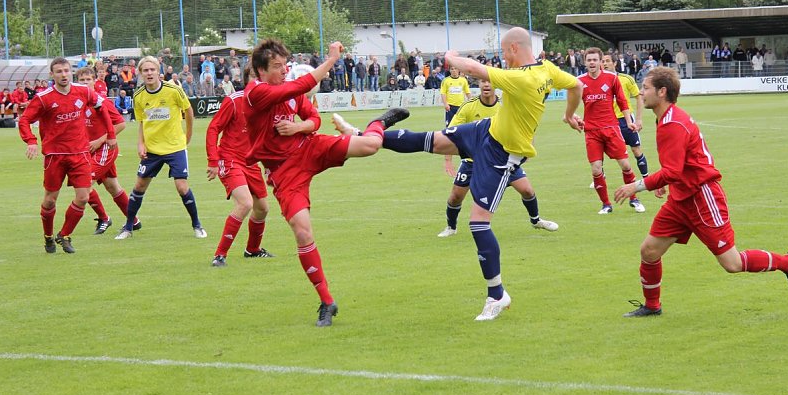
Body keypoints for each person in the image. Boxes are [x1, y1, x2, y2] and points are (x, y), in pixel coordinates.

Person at [333, 27, 581, 321]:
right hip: (486, 131)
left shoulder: (522, 78)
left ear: (514, 48)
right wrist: (568, 114)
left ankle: (497, 294)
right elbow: (576, 85)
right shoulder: (547, 69)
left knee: (478, 224)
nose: (504, 57)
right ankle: (364, 135)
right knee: (431, 140)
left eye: (504, 52)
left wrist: (449, 56)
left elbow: (475, 68)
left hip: (502, 155)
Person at [613, 67, 788, 317]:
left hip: (703, 198)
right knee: (649, 251)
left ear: (662, 92)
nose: (640, 91)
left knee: (732, 264)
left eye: (646, 87)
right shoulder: (666, 118)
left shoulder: (673, 123)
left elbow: (673, 170)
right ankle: (652, 305)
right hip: (681, 198)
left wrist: (636, 186)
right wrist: (664, 182)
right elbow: (678, 166)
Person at [244, 39, 409, 327]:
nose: (284, 71)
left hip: (309, 148)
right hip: (285, 171)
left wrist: (297, 126)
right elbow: (300, 86)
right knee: (303, 233)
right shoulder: (256, 92)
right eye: (276, 67)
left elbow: (313, 119)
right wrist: (331, 60)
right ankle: (327, 302)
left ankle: (378, 123)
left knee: (371, 146)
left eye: (286, 65)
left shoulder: (289, 93)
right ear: (259, 71)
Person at [18, 57, 117, 253]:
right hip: (55, 155)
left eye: (66, 71)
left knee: (82, 196)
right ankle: (48, 237)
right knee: (50, 200)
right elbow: (25, 119)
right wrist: (30, 141)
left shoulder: (83, 91)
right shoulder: (43, 98)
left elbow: (102, 108)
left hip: (80, 154)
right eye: (59, 72)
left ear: (70, 72)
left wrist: (111, 135)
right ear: (52, 75)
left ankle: (64, 235)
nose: (63, 75)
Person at [438, 79, 559, 238]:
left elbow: (525, 127)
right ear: (479, 85)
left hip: (502, 159)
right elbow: (451, 133)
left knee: (527, 190)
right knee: (455, 197)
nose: (487, 85)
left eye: (490, 81)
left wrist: (527, 149)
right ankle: (451, 227)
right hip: (472, 161)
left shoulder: (505, 106)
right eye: (483, 81)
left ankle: (536, 220)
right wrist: (448, 160)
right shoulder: (468, 107)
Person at [114, 56, 205, 240]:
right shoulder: (138, 95)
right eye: (145, 70)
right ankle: (128, 228)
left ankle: (197, 225)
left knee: (181, 186)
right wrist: (141, 143)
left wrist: (187, 135)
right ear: (140, 73)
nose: (149, 73)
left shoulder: (173, 90)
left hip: (174, 147)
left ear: (158, 72)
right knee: (139, 185)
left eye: (152, 70)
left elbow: (188, 110)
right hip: (152, 149)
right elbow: (141, 122)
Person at [206, 66, 273, 267]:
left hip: (250, 162)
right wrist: (213, 161)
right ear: (246, 80)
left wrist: (270, 165)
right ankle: (220, 255)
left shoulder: (267, 105)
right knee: (245, 203)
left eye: (261, 78)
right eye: (253, 77)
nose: (257, 82)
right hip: (229, 158)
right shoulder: (234, 101)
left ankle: (252, 250)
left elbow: (268, 138)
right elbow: (213, 128)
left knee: (262, 209)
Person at [574, 48, 643, 215]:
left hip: (612, 128)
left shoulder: (612, 78)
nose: (592, 62)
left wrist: (629, 122)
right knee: (596, 169)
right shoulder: (579, 81)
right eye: (589, 60)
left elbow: (622, 101)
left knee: (626, 165)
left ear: (600, 62)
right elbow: (572, 103)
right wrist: (573, 116)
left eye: (595, 60)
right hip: (592, 131)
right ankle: (606, 204)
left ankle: (634, 199)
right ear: (585, 62)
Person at [75, 68, 140, 234]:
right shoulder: (77, 102)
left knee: (84, 183)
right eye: (81, 80)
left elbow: (120, 124)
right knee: (112, 186)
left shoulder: (102, 101)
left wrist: (99, 141)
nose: (85, 83)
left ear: (94, 81)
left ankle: (104, 218)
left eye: (88, 79)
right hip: (87, 150)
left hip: (104, 148)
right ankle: (134, 220)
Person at [602, 54, 650, 179]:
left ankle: (646, 177)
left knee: (635, 149)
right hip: (607, 121)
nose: (605, 64)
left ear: (615, 63)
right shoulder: (598, 81)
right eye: (603, 61)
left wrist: (639, 119)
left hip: (625, 120)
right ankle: (600, 176)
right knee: (600, 148)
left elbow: (638, 96)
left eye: (607, 61)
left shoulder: (626, 79)